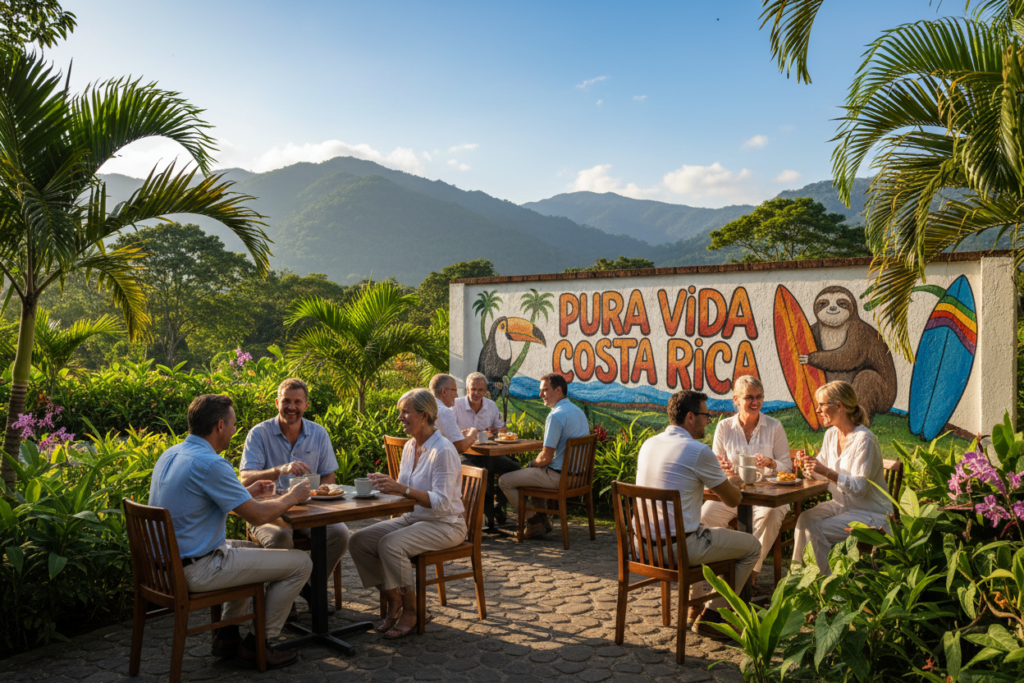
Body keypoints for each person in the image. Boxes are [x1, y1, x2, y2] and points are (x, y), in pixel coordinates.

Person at [148, 394, 312, 669]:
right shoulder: (211, 463)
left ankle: (227, 635)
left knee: (255, 553)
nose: (235, 431)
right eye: (234, 424)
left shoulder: (173, 453)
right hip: (196, 567)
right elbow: (259, 517)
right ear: (220, 426)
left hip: (167, 565)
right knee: (300, 563)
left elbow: (207, 501)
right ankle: (258, 643)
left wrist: (249, 491)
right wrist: (293, 497)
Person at [635, 390, 761, 639]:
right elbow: (733, 499)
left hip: (642, 547)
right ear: (690, 417)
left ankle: (696, 606)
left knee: (704, 528)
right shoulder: (697, 451)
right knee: (752, 547)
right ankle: (712, 616)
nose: (709, 420)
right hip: (677, 550)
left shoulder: (649, 444)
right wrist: (734, 481)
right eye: (706, 415)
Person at [348, 389, 466, 640]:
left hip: (446, 524)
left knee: (391, 544)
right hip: (415, 519)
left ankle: (413, 611)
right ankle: (395, 599)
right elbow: (404, 493)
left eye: (405, 412)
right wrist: (384, 486)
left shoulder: (443, 450)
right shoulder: (412, 446)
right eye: (400, 411)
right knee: (358, 541)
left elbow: (443, 504)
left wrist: (403, 489)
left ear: (424, 416)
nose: (400, 417)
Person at [240, 378, 349, 617]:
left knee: (340, 534)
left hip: (308, 511)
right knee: (280, 538)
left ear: (306, 405)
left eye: (297, 402)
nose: (291, 407)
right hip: (268, 514)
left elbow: (328, 477)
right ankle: (282, 606)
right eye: (286, 401)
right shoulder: (259, 433)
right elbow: (245, 478)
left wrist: (320, 494)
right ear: (277, 402)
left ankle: (308, 588)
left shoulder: (318, 433)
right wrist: (280, 469)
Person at [791, 381, 891, 575]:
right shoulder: (830, 435)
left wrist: (826, 471)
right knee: (805, 519)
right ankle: (796, 579)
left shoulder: (864, 439)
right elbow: (819, 473)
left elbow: (860, 488)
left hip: (870, 513)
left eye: (822, 404)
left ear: (840, 406)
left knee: (816, 530)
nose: (818, 410)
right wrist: (806, 466)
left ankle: (825, 588)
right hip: (842, 506)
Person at [703, 375, 792, 590]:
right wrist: (722, 467)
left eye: (759, 397)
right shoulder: (724, 427)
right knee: (703, 518)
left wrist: (771, 463)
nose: (755, 402)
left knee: (770, 515)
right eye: (749, 397)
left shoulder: (774, 426)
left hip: (768, 497)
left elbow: (787, 467)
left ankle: (748, 573)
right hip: (733, 494)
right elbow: (716, 465)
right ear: (736, 399)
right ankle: (716, 571)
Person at [498, 373, 589, 538]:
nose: (540, 395)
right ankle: (543, 520)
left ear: (558, 390)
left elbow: (546, 458)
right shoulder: (578, 411)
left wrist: (531, 464)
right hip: (579, 477)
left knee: (504, 481)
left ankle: (534, 523)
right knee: (534, 473)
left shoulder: (555, 415)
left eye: (545, 390)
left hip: (560, 478)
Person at [433, 372, 520, 525]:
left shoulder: (491, 406)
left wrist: (495, 431)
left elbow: (503, 430)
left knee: (513, 467)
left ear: (485, 390)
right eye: (473, 389)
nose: (476, 393)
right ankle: (485, 515)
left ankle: (499, 507)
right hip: (464, 453)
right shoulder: (454, 406)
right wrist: (472, 433)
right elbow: (453, 439)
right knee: (482, 474)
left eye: (480, 390)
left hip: (489, 453)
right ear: (467, 389)